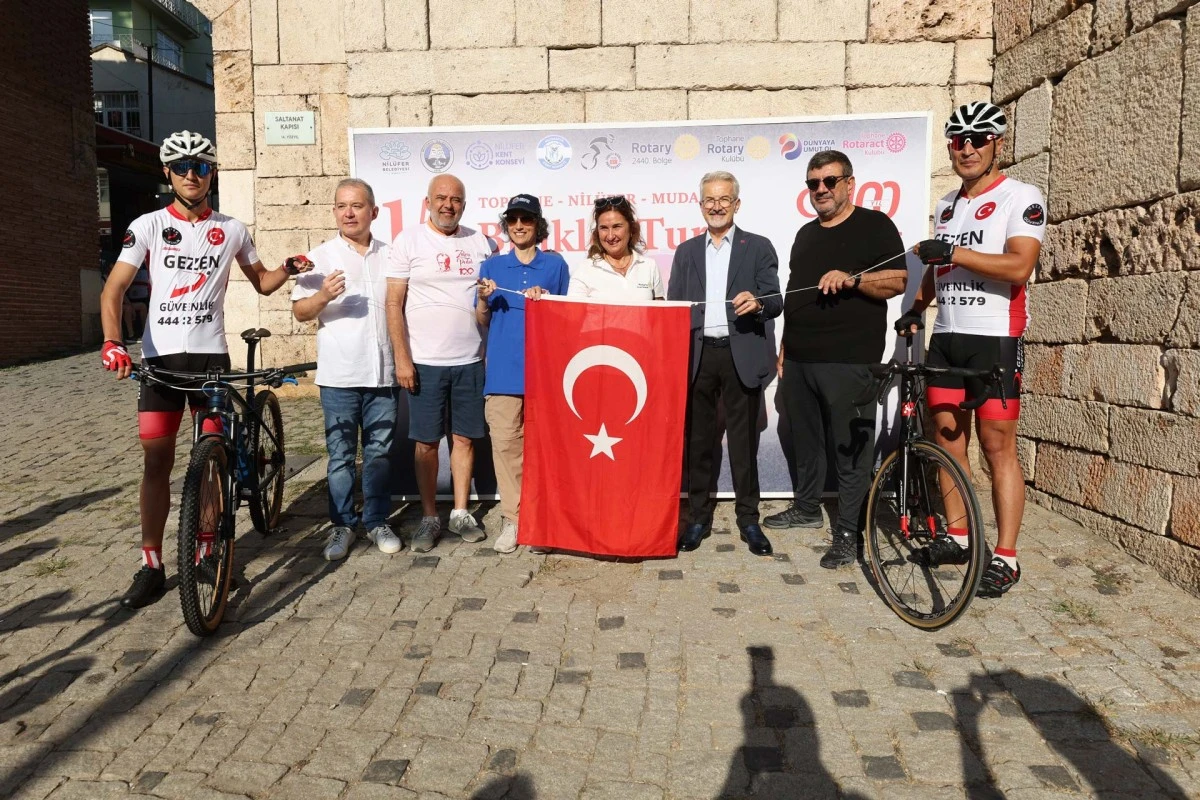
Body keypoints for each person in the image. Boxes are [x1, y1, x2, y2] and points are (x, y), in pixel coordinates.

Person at [99, 130, 310, 609]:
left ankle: (209, 549)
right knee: (156, 459)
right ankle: (151, 563)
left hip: (211, 359)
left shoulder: (232, 229)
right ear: (167, 173)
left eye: (201, 166)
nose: (191, 174)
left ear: (212, 172)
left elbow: (261, 283)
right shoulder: (147, 225)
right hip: (160, 362)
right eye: (181, 167)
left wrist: (290, 266)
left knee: (211, 457)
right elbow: (113, 291)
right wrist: (113, 342)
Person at [897, 101, 1046, 597]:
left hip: (994, 337)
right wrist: (916, 309)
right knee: (946, 439)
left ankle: (1006, 556)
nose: (967, 148)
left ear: (997, 145)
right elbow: (939, 272)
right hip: (948, 337)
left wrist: (954, 251)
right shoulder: (946, 205)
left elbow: (1018, 267)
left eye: (978, 139)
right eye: (958, 140)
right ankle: (958, 537)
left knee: (998, 447)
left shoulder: (1021, 197)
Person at [764, 150, 908, 569]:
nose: (821, 190)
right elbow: (795, 296)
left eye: (829, 181)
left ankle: (848, 532)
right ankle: (807, 508)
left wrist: (854, 279)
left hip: (850, 361)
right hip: (801, 360)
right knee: (806, 442)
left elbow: (897, 280)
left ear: (850, 183)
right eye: (814, 183)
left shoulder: (875, 226)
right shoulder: (806, 235)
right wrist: (786, 348)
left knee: (852, 450)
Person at [667, 171, 783, 556]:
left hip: (742, 356)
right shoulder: (685, 252)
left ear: (737, 203)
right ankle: (697, 517)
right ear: (700, 205)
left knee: (743, 443)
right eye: (709, 200)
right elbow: (673, 309)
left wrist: (760, 303)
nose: (716, 206)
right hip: (698, 357)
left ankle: (749, 519)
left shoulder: (758, 246)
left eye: (724, 199)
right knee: (698, 443)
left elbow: (776, 300)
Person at [291, 178, 400, 561]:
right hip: (339, 377)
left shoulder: (392, 255)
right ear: (335, 212)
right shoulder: (320, 257)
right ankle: (341, 525)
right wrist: (323, 296)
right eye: (341, 206)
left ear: (374, 211)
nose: (348, 213)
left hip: (383, 374)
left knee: (380, 454)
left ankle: (376, 521)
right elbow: (300, 312)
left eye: (356, 205)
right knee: (339, 457)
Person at [385, 174, 494, 552]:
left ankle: (461, 512)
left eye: (457, 199)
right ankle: (430, 517)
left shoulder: (482, 243)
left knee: (464, 439)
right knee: (427, 443)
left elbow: (488, 301)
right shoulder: (408, 241)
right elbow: (392, 304)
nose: (449, 205)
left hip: (470, 360)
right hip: (425, 363)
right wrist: (402, 358)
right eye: (442, 198)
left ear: (464, 204)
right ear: (427, 201)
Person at [476, 195, 571, 553]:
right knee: (505, 447)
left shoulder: (555, 265)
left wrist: (547, 300)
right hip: (502, 374)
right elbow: (481, 320)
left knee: (542, 449)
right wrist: (484, 299)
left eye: (526, 219)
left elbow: (568, 319)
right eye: (513, 219)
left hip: (545, 373)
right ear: (506, 225)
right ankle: (514, 520)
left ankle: (542, 520)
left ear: (537, 225)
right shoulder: (493, 267)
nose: (519, 225)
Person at [568, 196, 664, 301]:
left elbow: (659, 313)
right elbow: (574, 315)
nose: (610, 236)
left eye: (617, 227)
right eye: (604, 228)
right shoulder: (584, 270)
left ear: (631, 228)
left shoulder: (649, 266)